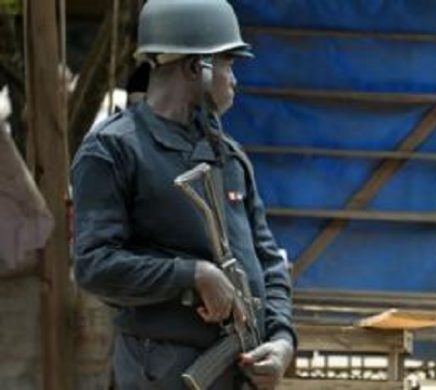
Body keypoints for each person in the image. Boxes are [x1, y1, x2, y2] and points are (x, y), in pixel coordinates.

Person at [71, 1, 295, 389]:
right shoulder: (113, 150)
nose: (235, 80)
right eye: (228, 64)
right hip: (162, 370)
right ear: (198, 68)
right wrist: (192, 275)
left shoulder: (229, 156)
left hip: (240, 367)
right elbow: (94, 265)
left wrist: (281, 340)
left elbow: (268, 261)